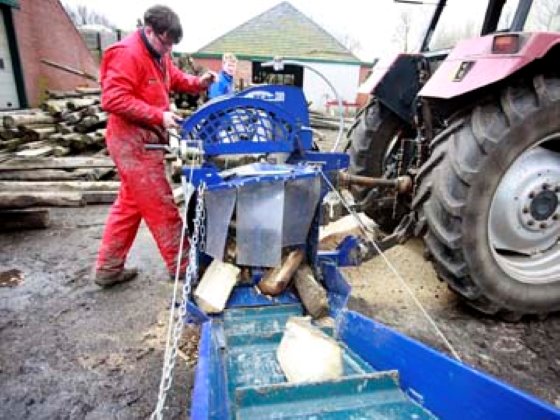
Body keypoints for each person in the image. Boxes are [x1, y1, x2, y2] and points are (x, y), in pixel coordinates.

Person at [94, 5, 216, 287]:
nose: (168, 49)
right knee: (161, 206)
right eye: (165, 42)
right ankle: (184, 267)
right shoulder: (126, 53)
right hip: (131, 142)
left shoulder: (159, 53)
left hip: (146, 139)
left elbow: (173, 77)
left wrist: (198, 83)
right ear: (149, 30)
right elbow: (112, 99)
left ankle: (108, 269)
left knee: (129, 206)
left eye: (172, 44)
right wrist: (158, 115)